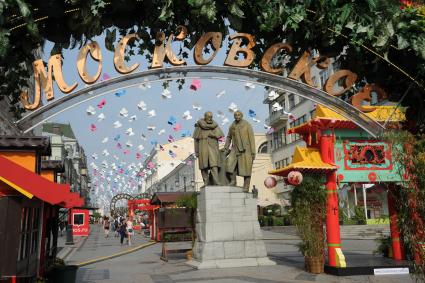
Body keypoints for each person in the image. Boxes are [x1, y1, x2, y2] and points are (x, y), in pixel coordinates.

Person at [223, 110, 256, 192]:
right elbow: (228, 137)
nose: (237, 116)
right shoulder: (232, 125)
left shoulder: (247, 125)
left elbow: (251, 138)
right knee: (229, 164)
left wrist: (253, 152)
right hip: (235, 148)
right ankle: (233, 181)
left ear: (241, 116)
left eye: (238, 115)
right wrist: (226, 147)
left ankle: (246, 186)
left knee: (247, 168)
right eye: (235, 115)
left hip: (246, 149)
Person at [193, 111, 225, 186]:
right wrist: (196, 151)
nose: (210, 118)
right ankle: (206, 182)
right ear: (205, 117)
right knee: (203, 167)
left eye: (211, 117)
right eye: (209, 117)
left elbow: (220, 135)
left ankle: (216, 182)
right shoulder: (199, 126)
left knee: (214, 165)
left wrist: (213, 135)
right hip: (202, 148)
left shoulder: (215, 125)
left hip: (213, 148)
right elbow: (196, 140)